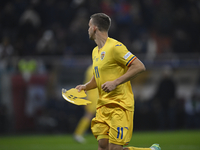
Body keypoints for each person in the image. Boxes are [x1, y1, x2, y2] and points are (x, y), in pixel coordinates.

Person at [75, 13, 161, 150]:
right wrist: (85, 87)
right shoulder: (95, 52)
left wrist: (115, 82)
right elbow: (97, 78)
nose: (88, 29)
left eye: (89, 26)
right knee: (103, 145)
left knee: (115, 148)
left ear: (95, 28)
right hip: (103, 106)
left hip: (119, 105)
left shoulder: (115, 47)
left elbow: (139, 66)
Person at [73, 64, 98, 143]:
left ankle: (80, 133)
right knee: (88, 115)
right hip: (94, 96)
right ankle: (78, 133)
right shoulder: (96, 68)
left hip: (92, 95)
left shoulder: (90, 68)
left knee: (91, 115)